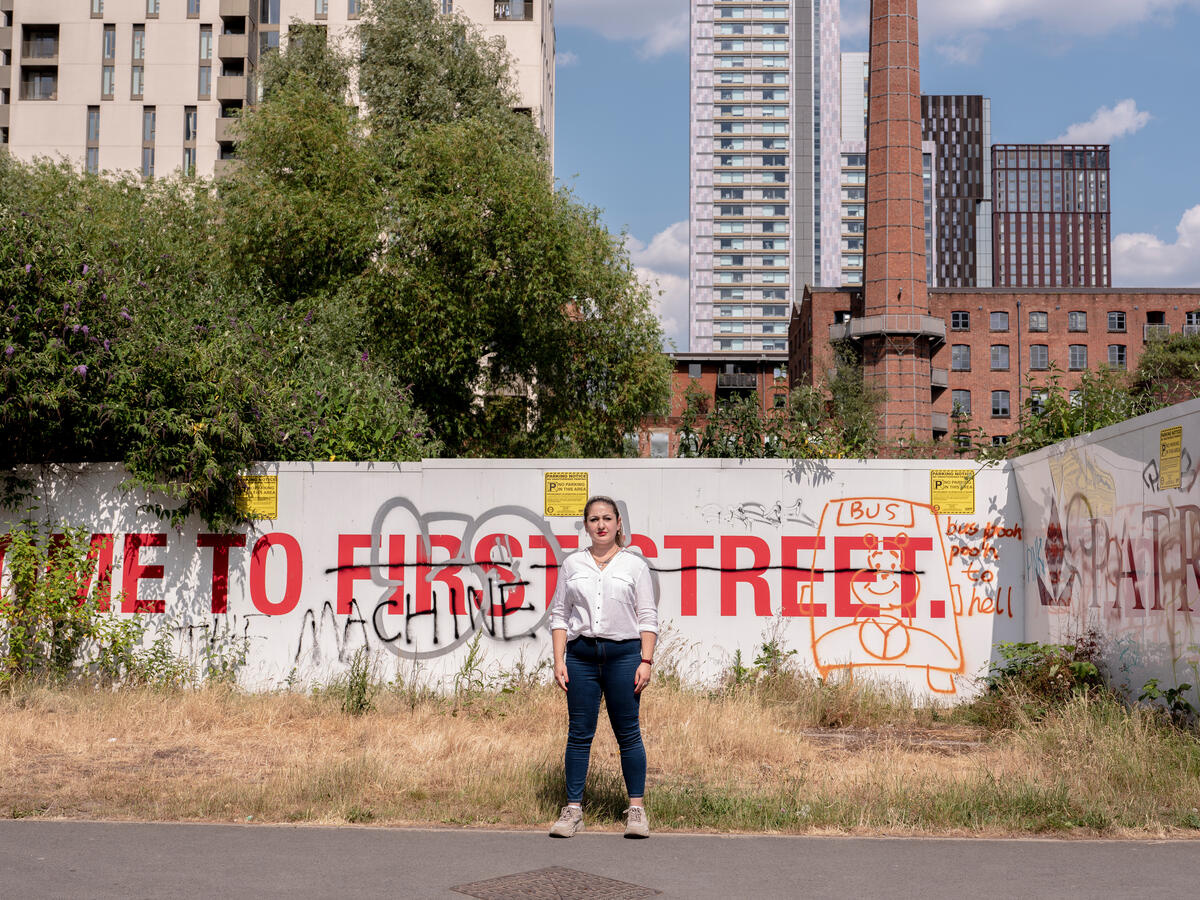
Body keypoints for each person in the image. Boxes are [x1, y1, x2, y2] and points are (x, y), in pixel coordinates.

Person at [547, 495, 658, 839]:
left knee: (628, 734)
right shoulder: (572, 565)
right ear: (586, 524)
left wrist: (646, 660)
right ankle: (573, 810)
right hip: (580, 657)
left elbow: (648, 617)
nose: (601, 525)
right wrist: (559, 659)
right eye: (594, 519)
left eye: (607, 518)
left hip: (624, 657)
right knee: (579, 735)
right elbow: (560, 615)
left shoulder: (634, 566)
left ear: (618, 523)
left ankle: (636, 811)